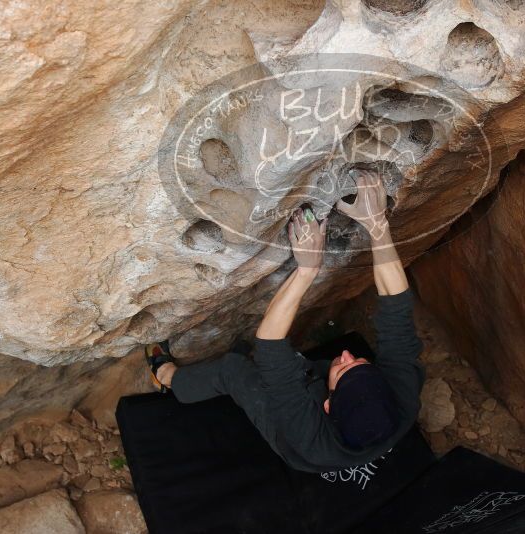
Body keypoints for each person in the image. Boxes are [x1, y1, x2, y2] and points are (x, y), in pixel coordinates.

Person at [146, 169, 424, 472]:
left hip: (295, 445)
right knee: (303, 367)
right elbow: (396, 309)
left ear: (327, 406)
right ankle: (319, 375)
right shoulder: (403, 395)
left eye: (344, 367)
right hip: (352, 406)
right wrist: (377, 225)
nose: (346, 354)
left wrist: (307, 269)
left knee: (233, 370)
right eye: (359, 362)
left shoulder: (308, 435)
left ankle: (166, 378)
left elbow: (269, 343)